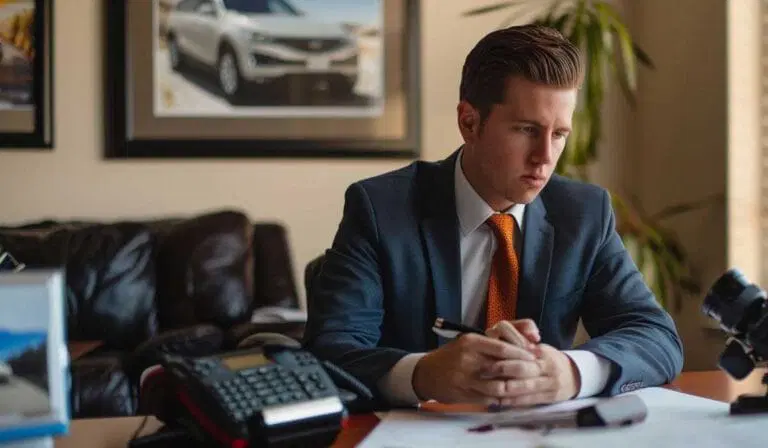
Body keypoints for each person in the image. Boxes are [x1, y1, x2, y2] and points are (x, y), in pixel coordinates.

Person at [302, 24, 684, 407]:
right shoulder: (380, 207)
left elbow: (656, 336)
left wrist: (571, 372)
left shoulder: (583, 213)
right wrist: (423, 373)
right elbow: (331, 353)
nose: (544, 157)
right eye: (527, 130)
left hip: (538, 431)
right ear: (469, 122)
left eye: (558, 135)